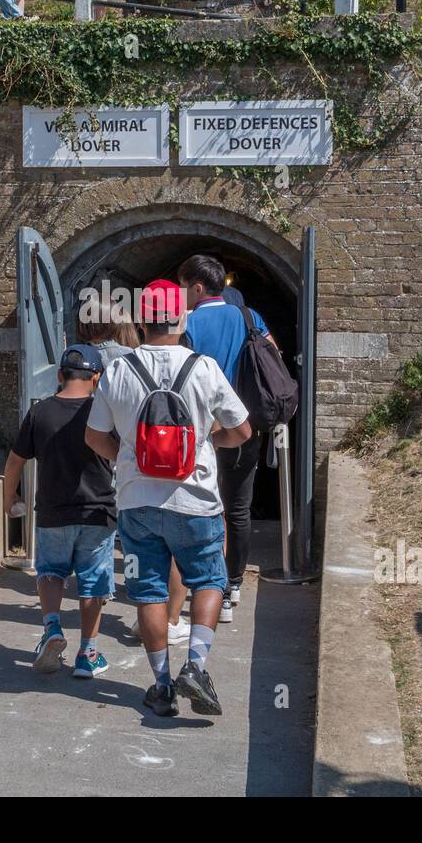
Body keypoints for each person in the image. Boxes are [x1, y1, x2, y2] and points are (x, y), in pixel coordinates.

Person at [86, 280, 252, 717]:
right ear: (181, 319)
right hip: (196, 500)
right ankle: (195, 666)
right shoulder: (204, 368)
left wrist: (128, 458)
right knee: (211, 581)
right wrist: (205, 440)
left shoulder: (119, 370)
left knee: (149, 592)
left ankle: (160, 685)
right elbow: (242, 430)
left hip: (137, 504)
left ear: (141, 321)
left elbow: (94, 436)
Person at [77, 292, 190, 647]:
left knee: (122, 539)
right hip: (156, 465)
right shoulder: (132, 359)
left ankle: (105, 591)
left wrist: (119, 456)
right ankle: (168, 622)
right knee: (169, 549)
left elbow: (89, 425)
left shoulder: (82, 358)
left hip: (106, 459)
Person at [3, 345, 116, 679]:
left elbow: (14, 460)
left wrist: (9, 499)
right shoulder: (102, 411)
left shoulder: (40, 413)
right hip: (97, 513)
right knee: (93, 583)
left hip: (53, 512)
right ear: (96, 377)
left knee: (51, 572)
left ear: (59, 375)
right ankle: (88, 654)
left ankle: (52, 629)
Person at [177, 254, 278, 624]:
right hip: (242, 427)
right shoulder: (250, 317)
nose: (181, 295)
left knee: (197, 509)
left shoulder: (186, 323)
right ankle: (232, 586)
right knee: (238, 509)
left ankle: (201, 586)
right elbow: (273, 357)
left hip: (199, 432)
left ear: (198, 287)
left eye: (183, 287)